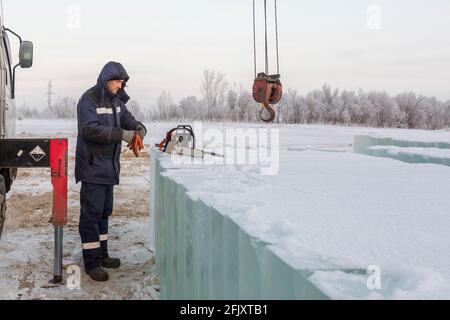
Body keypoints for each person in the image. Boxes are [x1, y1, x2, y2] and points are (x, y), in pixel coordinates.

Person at [75, 61, 147, 282]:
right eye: (117, 81)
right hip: (92, 167)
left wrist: (139, 129)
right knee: (91, 215)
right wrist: (121, 135)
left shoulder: (117, 102)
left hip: (109, 168)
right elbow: (89, 129)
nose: (120, 84)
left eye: (122, 81)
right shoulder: (89, 100)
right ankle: (92, 262)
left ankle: (103, 254)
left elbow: (129, 120)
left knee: (104, 213)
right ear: (106, 80)